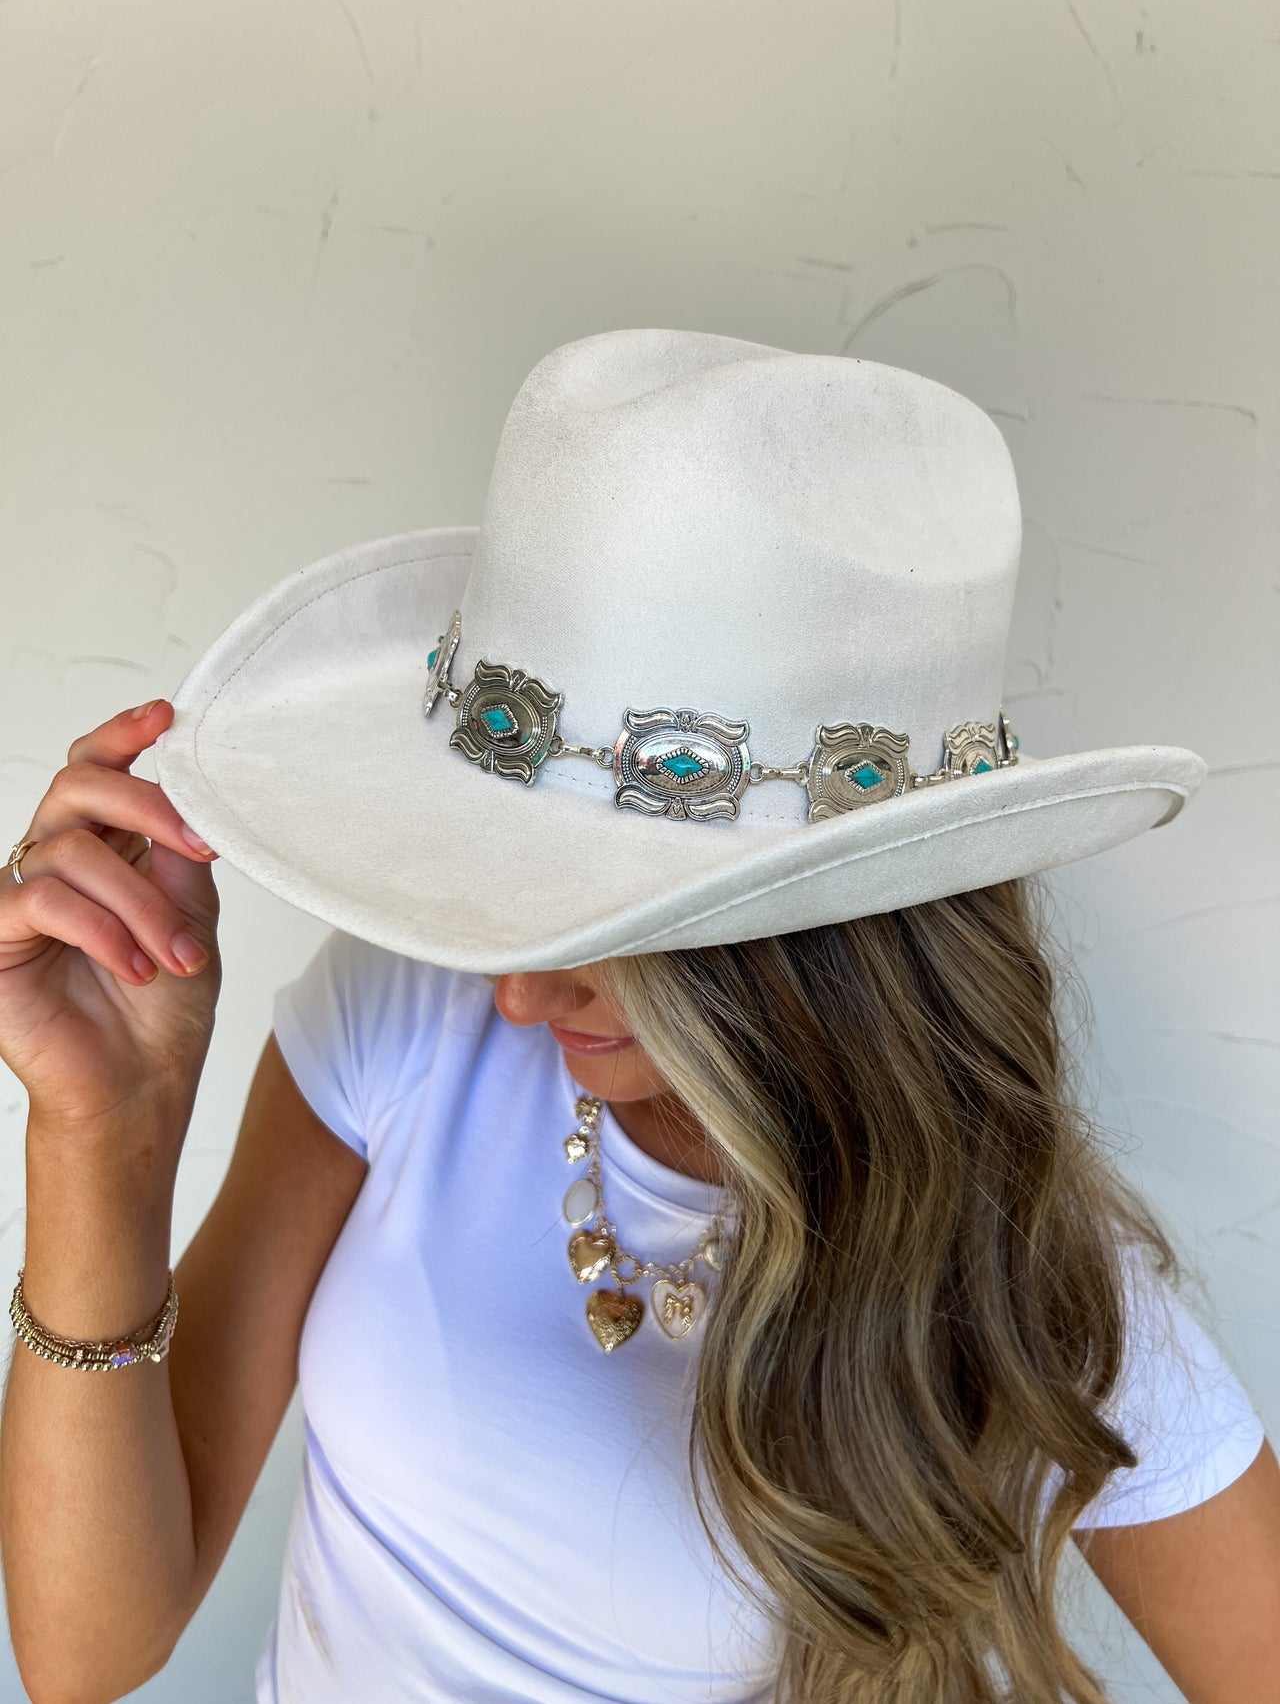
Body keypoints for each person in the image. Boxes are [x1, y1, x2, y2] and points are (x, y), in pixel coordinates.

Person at [0, 328, 1276, 1704]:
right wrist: (102, 1128)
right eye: (518, 872)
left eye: (622, 919)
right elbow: (87, 1654)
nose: (516, 988)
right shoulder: (411, 1012)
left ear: (847, 933)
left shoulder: (1033, 1286)